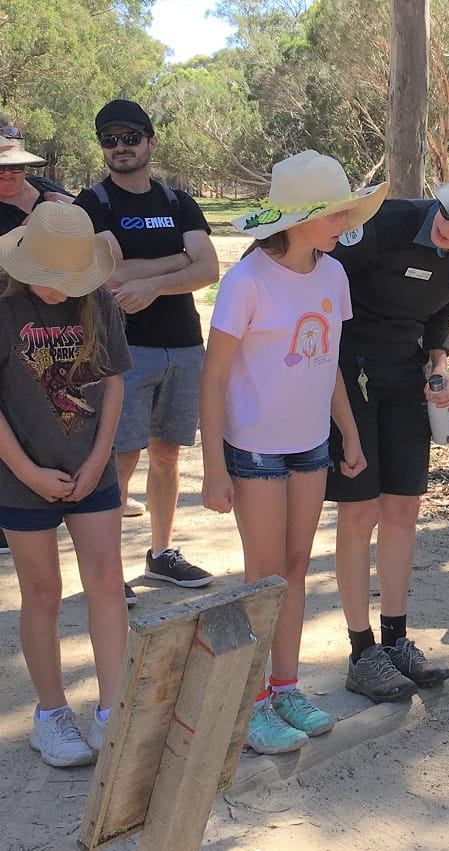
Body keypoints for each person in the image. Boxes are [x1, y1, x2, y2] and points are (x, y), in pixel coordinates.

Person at [327, 165, 449, 703]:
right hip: (347, 376)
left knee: (402, 510)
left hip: (406, 376)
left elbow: (441, 313)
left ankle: (396, 639)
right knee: (361, 511)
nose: (447, 227)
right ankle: (360, 650)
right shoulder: (386, 222)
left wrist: (439, 363)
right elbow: (319, 286)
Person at [199, 151, 380, 754]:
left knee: (297, 568)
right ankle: (250, 704)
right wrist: (215, 467)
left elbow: (328, 366)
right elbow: (214, 377)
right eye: (335, 214)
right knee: (264, 574)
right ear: (301, 218)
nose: (344, 223)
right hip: (254, 450)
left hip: (310, 446)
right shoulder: (246, 280)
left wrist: (348, 434)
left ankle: (285, 687)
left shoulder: (334, 276)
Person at [74, 100, 220, 604]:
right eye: (110, 141)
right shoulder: (91, 204)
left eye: (130, 138)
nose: (120, 148)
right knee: (121, 457)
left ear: (150, 141)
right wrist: (178, 258)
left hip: (183, 344)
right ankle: (106, 569)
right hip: (122, 350)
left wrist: (153, 283)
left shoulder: (178, 201)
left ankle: (161, 553)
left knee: (167, 453)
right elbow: (106, 277)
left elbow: (209, 269)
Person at [0, 202, 130, 766]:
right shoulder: (4, 305)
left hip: (90, 466)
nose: (59, 291)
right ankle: (51, 714)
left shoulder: (97, 299)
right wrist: (27, 471)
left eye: (69, 280)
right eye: (50, 280)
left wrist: (100, 458)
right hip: (18, 473)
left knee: (106, 577)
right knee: (44, 591)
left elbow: (114, 381)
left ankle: (112, 710)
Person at [0, 121, 75, 557]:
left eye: (15, 167)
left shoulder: (47, 190)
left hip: (50, 321)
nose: (9, 176)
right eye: (0, 169)